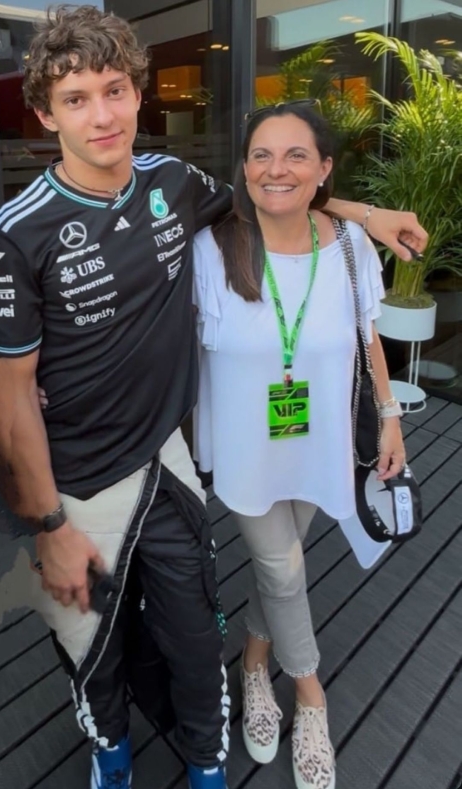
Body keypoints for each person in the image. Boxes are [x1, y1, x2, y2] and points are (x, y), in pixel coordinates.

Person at [0, 6, 427, 789]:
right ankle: (112, 752)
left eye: (115, 90)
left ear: (138, 94)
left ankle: (208, 764)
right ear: (44, 114)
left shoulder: (172, 183)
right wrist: (47, 528)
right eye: (76, 99)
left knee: (192, 632)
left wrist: (365, 213)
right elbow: (4, 402)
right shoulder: (17, 232)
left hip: (166, 461)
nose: (102, 115)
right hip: (74, 484)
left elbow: (272, 197)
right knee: (91, 641)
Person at [192, 102, 413, 789]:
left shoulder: (350, 246)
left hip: (317, 439)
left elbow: (368, 336)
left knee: (281, 566)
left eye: (296, 155)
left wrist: (390, 416)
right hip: (244, 446)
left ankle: (254, 662)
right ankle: (311, 694)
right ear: (243, 168)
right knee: (283, 568)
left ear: (324, 169)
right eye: (261, 154)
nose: (275, 168)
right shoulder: (213, 248)